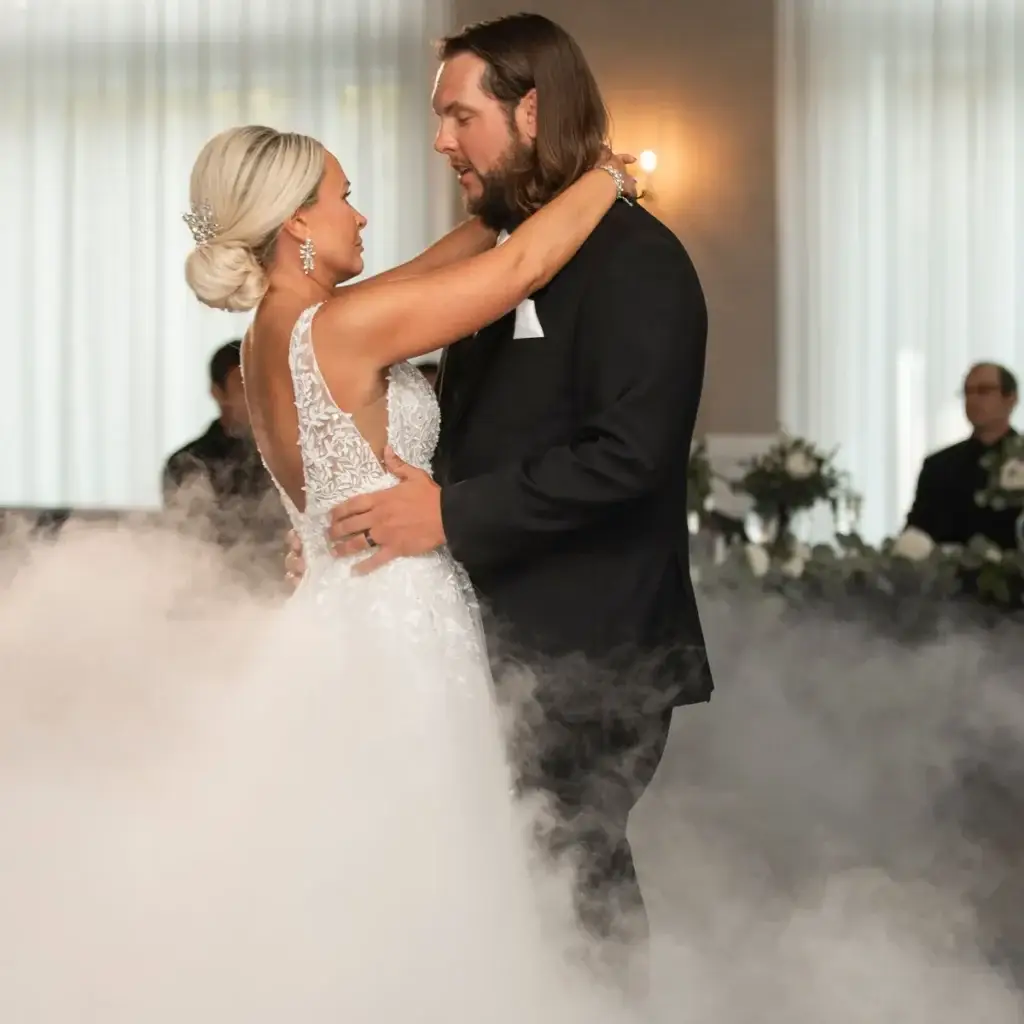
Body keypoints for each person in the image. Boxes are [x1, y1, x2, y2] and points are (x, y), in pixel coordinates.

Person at [292, 13, 713, 989]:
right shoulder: (512, 246)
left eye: (458, 116)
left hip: (592, 643)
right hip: (494, 633)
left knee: (569, 873)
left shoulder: (637, 261)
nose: (441, 141)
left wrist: (447, 515)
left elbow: (628, 457)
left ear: (530, 109)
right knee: (504, 878)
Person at [905, 361, 1019, 549]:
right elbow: (917, 534)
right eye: (967, 392)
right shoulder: (938, 466)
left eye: (983, 391)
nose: (973, 400)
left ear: (1010, 398)